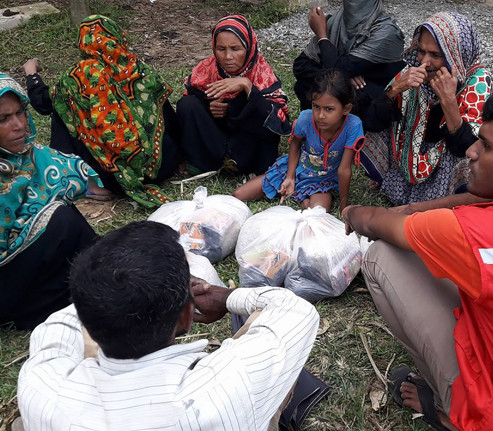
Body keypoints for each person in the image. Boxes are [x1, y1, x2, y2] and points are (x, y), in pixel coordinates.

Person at [343, 82, 493, 430]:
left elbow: (378, 223)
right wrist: (416, 206)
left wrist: (350, 214)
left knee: (381, 256)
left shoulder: (480, 234)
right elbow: (489, 198)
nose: (472, 152)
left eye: (487, 145)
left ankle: (449, 409)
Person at [17, 221, 320, 430]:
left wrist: (109, 288)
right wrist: (224, 296)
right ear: (187, 316)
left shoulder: (41, 386)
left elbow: (55, 326)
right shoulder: (221, 388)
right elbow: (296, 312)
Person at [24, 14, 183, 207]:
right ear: (118, 37)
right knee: (157, 108)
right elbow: (169, 119)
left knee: (62, 102)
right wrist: (180, 158)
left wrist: (31, 73)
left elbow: (41, 103)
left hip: (109, 179)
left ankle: (78, 178)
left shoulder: (76, 78)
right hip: (161, 167)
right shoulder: (139, 69)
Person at [361, 11, 492, 209]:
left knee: (471, 158)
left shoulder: (477, 82)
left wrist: (448, 102)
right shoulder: (411, 72)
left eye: (436, 55)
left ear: (457, 54)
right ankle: (391, 180)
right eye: (421, 51)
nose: (424, 62)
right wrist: (394, 90)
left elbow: (466, 148)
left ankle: (449, 198)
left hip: (448, 158)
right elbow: (371, 121)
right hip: (411, 154)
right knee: (382, 108)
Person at [0, 73, 98, 330]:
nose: (19, 125)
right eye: (4, 119)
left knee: (62, 215)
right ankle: (109, 276)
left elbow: (76, 174)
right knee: (61, 219)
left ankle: (101, 275)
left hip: (18, 271)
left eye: (20, 113)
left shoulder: (26, 155)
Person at [233, 69, 364, 212]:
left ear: (346, 109)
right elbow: (295, 144)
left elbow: (344, 169)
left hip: (323, 180)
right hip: (298, 168)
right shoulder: (305, 119)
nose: (320, 115)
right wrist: (290, 177)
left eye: (329, 109)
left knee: (317, 212)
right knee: (239, 195)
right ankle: (300, 194)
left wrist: (344, 207)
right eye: (316, 106)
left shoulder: (353, 126)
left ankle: (305, 199)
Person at [177, 15, 291, 175]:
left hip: (247, 150)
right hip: (215, 143)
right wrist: (212, 109)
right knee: (187, 104)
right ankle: (203, 162)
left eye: (235, 49)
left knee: (257, 104)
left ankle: (239, 165)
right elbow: (192, 112)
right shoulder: (208, 70)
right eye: (221, 49)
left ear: (249, 47)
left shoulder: (261, 73)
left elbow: (277, 122)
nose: (228, 57)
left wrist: (247, 85)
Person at [293, 0, 405, 119]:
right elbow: (301, 66)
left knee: (353, 98)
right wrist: (345, 77)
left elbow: (339, 69)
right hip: (346, 89)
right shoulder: (338, 20)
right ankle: (314, 132)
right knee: (306, 85)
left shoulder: (386, 32)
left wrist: (322, 35)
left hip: (371, 98)